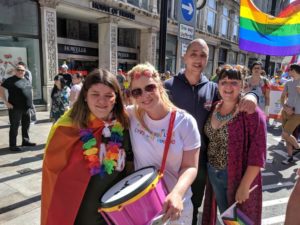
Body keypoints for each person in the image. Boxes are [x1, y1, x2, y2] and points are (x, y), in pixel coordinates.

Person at [164, 38, 258, 225]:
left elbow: (233, 96)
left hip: (200, 162)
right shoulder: (167, 86)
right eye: (193, 54)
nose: (198, 59)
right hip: (170, 160)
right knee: (167, 206)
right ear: (184, 57)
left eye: (203, 55)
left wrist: (252, 95)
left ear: (207, 60)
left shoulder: (213, 89)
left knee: (194, 204)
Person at [41, 69, 133, 225]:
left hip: (116, 212)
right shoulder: (67, 128)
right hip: (81, 215)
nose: (102, 102)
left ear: (116, 98)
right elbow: (54, 175)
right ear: (85, 96)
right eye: (95, 94)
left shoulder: (125, 124)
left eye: (109, 95)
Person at [127, 62, 200, 224]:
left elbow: (191, 167)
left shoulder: (185, 122)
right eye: (137, 91)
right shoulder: (132, 115)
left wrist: (177, 194)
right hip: (143, 206)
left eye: (150, 88)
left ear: (159, 86)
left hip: (175, 207)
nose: (144, 95)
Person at [202, 66, 266, 225]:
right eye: (223, 82)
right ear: (218, 85)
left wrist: (245, 185)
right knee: (227, 218)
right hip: (213, 174)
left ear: (243, 85)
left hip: (237, 177)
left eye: (234, 82)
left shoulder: (251, 113)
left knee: (241, 221)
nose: (228, 86)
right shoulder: (214, 106)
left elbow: (258, 155)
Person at [0, 64, 36, 151]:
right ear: (15, 71)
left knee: (26, 125)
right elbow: (1, 88)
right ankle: (13, 145)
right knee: (14, 126)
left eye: (22, 70)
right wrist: (6, 102)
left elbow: (30, 89)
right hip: (15, 108)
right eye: (18, 70)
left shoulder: (26, 78)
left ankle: (25, 141)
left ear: (25, 71)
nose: (20, 71)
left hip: (27, 107)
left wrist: (31, 101)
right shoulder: (10, 80)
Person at [280, 63, 300, 164]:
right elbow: (282, 97)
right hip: (286, 111)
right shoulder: (288, 82)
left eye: (289, 70)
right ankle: (290, 156)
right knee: (287, 135)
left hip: (297, 114)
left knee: (285, 134)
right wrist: (285, 107)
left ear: (294, 70)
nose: (288, 71)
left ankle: (297, 147)